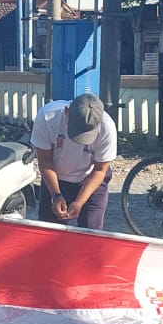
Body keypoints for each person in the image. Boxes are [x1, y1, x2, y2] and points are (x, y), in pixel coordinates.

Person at [30, 92, 117, 230]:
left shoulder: (107, 128)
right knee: (50, 232)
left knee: (90, 234)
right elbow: (44, 161)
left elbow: (100, 170)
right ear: (67, 112)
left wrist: (80, 201)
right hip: (55, 177)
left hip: (90, 180)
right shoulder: (47, 117)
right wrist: (56, 195)